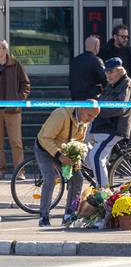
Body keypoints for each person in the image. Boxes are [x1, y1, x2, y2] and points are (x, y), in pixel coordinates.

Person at [35, 104, 100, 227]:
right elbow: (45, 138)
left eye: (94, 117)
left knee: (78, 178)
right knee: (50, 179)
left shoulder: (84, 122)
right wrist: (59, 156)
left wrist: (77, 159)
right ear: (81, 108)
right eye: (90, 115)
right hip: (44, 149)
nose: (91, 119)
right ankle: (43, 217)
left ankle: (69, 215)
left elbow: (79, 141)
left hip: (64, 151)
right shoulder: (60, 114)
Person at [88, 57, 131, 188]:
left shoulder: (127, 84)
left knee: (96, 156)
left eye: (111, 72)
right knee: (80, 145)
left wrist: (99, 110)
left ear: (120, 70)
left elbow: (121, 108)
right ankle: (99, 175)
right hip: (101, 126)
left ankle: (103, 192)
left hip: (114, 127)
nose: (107, 75)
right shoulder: (112, 84)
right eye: (106, 72)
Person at [0, 40, 30, 180]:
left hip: (13, 110)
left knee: (16, 141)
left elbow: (25, 84)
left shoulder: (15, 64)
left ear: (4, 49)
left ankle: (19, 171)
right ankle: (1, 169)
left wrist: (19, 99)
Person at [69, 35, 107, 100]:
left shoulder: (74, 60)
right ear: (96, 47)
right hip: (92, 99)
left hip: (76, 98)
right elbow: (104, 79)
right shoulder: (96, 60)